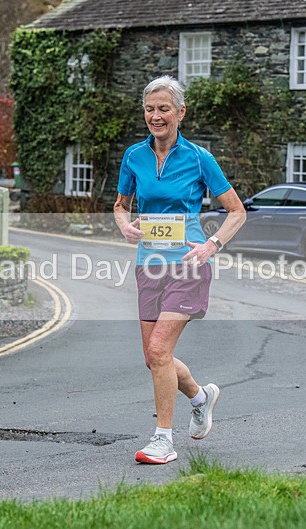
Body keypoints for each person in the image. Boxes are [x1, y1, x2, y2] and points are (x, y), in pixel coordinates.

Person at [114, 75, 245, 464]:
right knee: (154, 357)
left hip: (188, 265)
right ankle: (201, 397)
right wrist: (123, 223)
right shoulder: (134, 156)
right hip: (148, 265)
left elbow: (237, 211)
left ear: (180, 113)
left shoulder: (199, 158)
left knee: (159, 350)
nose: (156, 116)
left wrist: (211, 244)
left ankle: (163, 440)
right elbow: (121, 204)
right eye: (150, 109)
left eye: (164, 109)